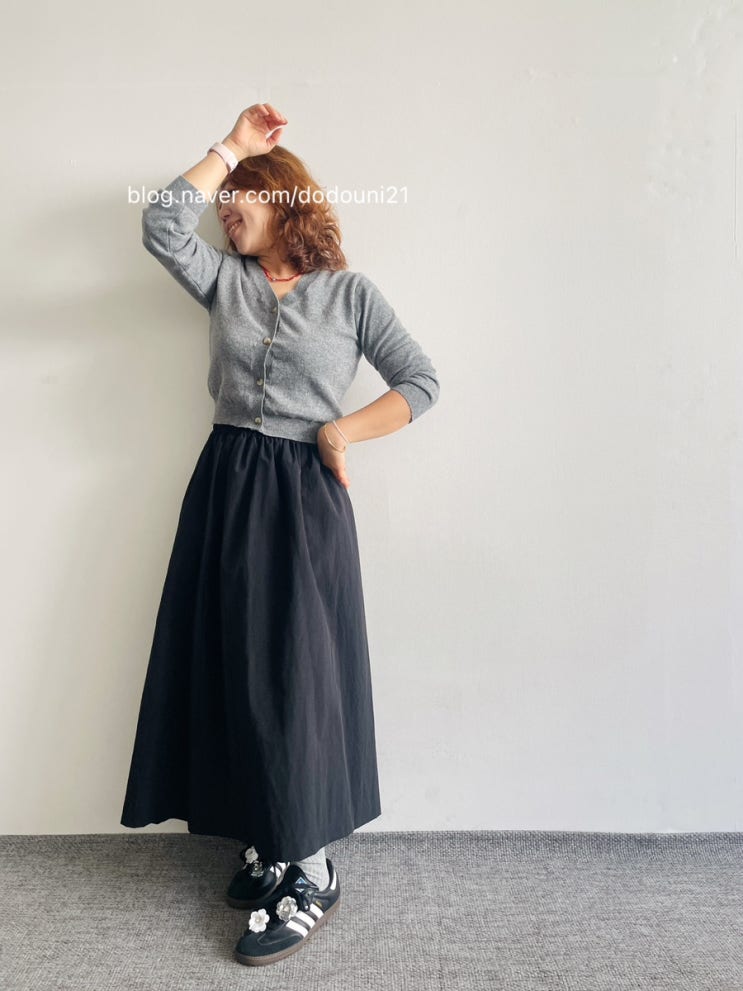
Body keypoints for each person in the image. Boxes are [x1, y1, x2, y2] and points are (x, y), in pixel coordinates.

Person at [120, 103, 440, 967]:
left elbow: (419, 380)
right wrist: (230, 149)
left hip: (302, 495)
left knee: (295, 677)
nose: (226, 207)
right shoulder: (224, 281)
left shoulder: (350, 294)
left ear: (286, 200)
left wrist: (340, 431)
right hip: (225, 482)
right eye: (225, 197)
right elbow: (161, 223)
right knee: (232, 662)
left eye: (244, 195)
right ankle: (266, 835)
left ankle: (312, 865)